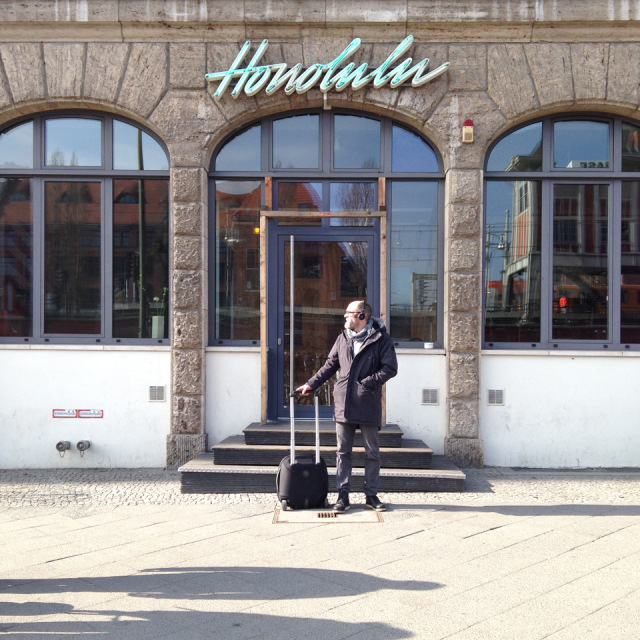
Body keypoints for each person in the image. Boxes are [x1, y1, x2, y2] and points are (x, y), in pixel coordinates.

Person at [296, 300, 398, 512]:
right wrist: (310, 384)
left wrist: (368, 383)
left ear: (362, 316)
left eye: (348, 313)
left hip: (368, 402)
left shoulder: (381, 339)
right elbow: (330, 366)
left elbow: (390, 368)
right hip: (344, 403)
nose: (344, 316)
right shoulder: (342, 338)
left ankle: (371, 495)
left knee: (372, 452)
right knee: (343, 452)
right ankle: (343, 495)